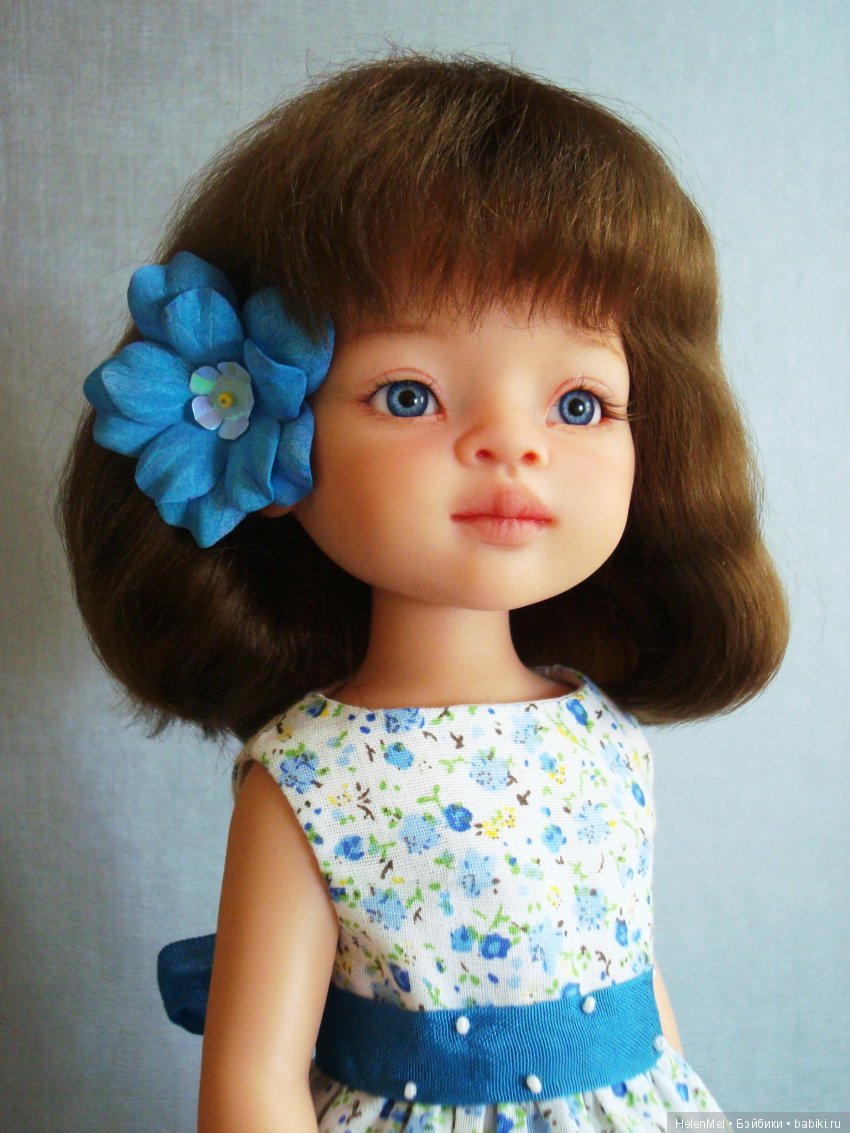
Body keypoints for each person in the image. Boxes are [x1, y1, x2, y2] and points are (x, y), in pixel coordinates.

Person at [61, 53, 788, 1132]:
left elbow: (635, 995)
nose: (512, 444)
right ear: (272, 440)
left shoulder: (601, 731)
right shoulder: (310, 775)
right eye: (410, 394)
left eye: (579, 404)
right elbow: (250, 1080)